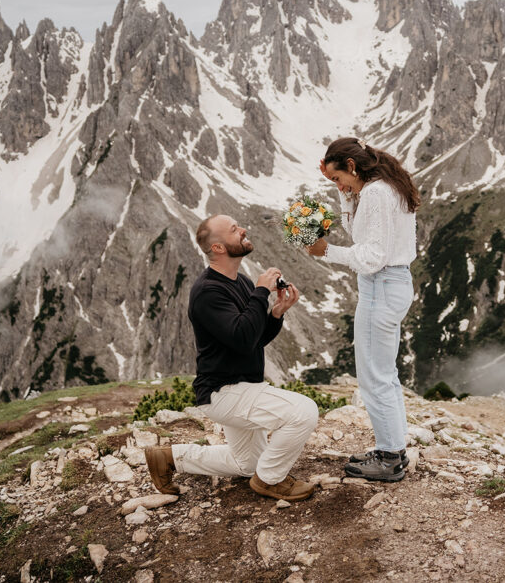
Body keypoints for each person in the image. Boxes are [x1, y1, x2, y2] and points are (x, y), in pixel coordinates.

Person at [145, 214, 319, 501]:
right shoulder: (207, 292)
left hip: (242, 388)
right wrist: (261, 291)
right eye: (235, 229)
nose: (244, 230)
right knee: (304, 412)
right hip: (224, 392)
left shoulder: (241, 282)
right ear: (218, 248)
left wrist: (276, 313)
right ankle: (270, 481)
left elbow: (252, 340)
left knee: (246, 464)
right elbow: (242, 338)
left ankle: (169, 457)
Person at [305, 137, 418, 482]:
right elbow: (359, 233)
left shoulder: (375, 194)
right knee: (385, 374)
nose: (339, 185)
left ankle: (389, 458)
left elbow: (370, 257)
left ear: (352, 167)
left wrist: (326, 252)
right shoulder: (385, 187)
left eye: (339, 179)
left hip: (380, 286)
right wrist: (342, 193)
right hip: (393, 284)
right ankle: (393, 449)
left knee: (373, 377)